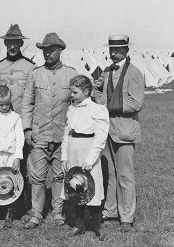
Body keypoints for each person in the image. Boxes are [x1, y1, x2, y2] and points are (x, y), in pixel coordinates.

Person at [21, 33, 78, 229]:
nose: (47, 53)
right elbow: (27, 103)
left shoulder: (71, 74)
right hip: (39, 134)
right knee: (37, 176)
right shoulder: (35, 74)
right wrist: (27, 129)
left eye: (51, 49)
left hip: (62, 136)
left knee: (59, 176)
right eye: (44, 50)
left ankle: (57, 212)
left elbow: (78, 103)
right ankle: (36, 214)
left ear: (60, 51)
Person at [95, 34, 145, 233]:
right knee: (110, 174)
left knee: (125, 175)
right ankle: (111, 210)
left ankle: (127, 216)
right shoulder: (106, 72)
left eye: (118, 50)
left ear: (126, 51)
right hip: (106, 131)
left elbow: (137, 102)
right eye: (111, 50)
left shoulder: (134, 73)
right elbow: (98, 93)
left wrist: (108, 107)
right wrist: (99, 101)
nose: (113, 54)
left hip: (124, 131)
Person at [0, 24, 36, 216]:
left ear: (21, 43)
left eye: (16, 42)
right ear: (5, 43)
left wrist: (28, 125)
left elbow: (32, 96)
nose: (13, 46)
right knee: (2, 165)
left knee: (22, 164)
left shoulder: (30, 67)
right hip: (3, 125)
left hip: (22, 123)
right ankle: (0, 200)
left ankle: (21, 203)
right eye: (9, 42)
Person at [61, 75, 109, 239]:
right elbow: (67, 134)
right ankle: (78, 224)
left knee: (91, 187)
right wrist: (64, 157)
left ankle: (96, 226)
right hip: (73, 151)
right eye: (71, 92)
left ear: (86, 91)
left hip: (88, 152)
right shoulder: (71, 109)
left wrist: (90, 160)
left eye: (75, 92)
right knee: (76, 188)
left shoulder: (97, 110)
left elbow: (100, 138)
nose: (72, 95)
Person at [0, 85, 25, 229]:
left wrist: (17, 157)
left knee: (11, 181)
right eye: (1, 104)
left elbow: (20, 139)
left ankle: (9, 214)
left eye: (7, 104)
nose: (4, 107)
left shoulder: (15, 118)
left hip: (11, 154)